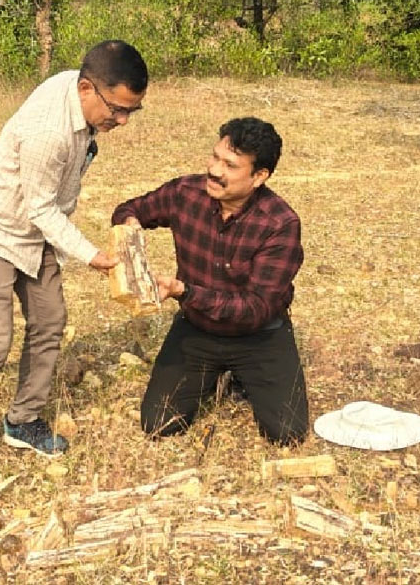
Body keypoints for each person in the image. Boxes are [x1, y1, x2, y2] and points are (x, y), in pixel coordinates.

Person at [0, 40, 149, 480]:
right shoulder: (49, 131)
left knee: (49, 322)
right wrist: (92, 256)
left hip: (34, 235)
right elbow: (42, 210)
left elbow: (45, 211)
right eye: (117, 109)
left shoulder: (79, 95)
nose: (121, 121)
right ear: (87, 88)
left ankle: (22, 421)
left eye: (131, 111)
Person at [111, 117, 309, 445]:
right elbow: (130, 209)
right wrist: (130, 232)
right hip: (197, 327)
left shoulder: (279, 224)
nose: (215, 170)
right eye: (215, 157)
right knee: (159, 423)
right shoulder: (186, 192)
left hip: (259, 336)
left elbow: (256, 308)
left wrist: (183, 290)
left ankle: (242, 377)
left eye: (230, 165)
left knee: (287, 433)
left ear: (259, 176)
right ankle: (214, 374)